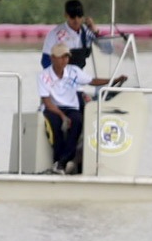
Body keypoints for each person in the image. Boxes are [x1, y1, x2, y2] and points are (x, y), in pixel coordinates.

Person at [38, 43, 127, 175]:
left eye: (66, 57)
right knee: (55, 125)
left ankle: (62, 162)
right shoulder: (44, 75)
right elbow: (47, 101)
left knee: (77, 121)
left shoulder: (74, 71)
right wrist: (62, 116)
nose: (64, 60)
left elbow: (92, 81)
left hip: (71, 108)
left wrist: (113, 80)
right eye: (61, 57)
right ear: (52, 58)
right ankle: (58, 161)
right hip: (53, 108)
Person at [41, 0, 102, 70]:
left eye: (79, 16)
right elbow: (45, 61)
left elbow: (109, 50)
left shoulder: (87, 32)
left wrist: (95, 31)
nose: (76, 20)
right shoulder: (54, 34)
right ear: (66, 15)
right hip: (61, 77)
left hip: (79, 76)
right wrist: (60, 76)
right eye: (73, 16)